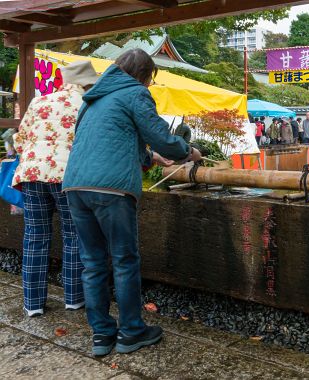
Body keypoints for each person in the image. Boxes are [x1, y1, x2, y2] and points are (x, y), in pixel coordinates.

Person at [63, 49, 202, 357]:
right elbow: (162, 137)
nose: (149, 85)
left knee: (93, 263)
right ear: (143, 75)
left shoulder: (93, 99)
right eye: (150, 79)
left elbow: (113, 139)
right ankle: (131, 332)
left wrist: (148, 156)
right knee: (124, 261)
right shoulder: (135, 92)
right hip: (111, 189)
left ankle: (101, 335)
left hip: (75, 185)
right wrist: (187, 150)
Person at [12, 61, 98, 318]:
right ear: (87, 83)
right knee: (74, 236)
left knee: (35, 237)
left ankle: (33, 303)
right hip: (69, 178)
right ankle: (73, 298)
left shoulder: (39, 102)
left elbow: (20, 139)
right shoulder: (88, 104)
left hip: (32, 175)